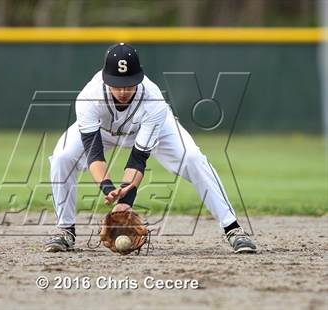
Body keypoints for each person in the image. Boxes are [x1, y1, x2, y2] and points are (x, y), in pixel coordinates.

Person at [46, 43, 256, 254]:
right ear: (105, 78)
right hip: (103, 130)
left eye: (129, 84)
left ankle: (233, 229)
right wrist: (109, 190)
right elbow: (95, 155)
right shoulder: (88, 98)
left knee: (193, 158)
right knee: (62, 157)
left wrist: (125, 202)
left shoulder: (152, 98)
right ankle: (65, 229)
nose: (123, 91)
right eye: (117, 84)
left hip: (153, 127)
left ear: (139, 77)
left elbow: (138, 159)